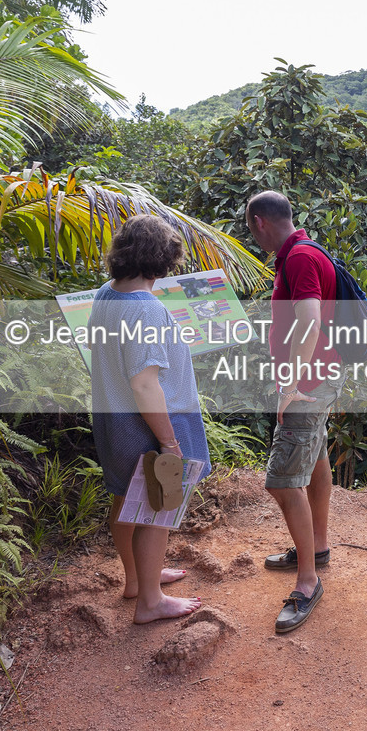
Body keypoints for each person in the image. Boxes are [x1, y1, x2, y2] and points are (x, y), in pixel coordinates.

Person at [89, 213, 209, 624]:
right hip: (147, 423)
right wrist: (170, 442)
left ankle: (139, 580)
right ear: (161, 260)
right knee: (158, 507)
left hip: (111, 418)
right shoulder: (147, 310)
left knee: (126, 500)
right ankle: (151, 603)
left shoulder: (107, 294)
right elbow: (145, 385)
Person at [246, 190, 344, 634]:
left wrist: (290, 385)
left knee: (283, 482)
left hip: (307, 384)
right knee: (316, 457)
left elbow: (309, 320)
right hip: (322, 376)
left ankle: (308, 582)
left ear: (259, 222)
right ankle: (316, 548)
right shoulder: (303, 251)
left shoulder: (300, 259)